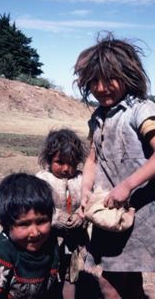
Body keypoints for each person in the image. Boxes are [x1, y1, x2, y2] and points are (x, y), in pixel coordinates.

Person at [73, 32, 155, 298]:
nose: (102, 87)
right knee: (128, 274)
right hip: (108, 211)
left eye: (110, 79)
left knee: (109, 281)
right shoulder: (97, 116)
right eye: (94, 81)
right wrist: (86, 190)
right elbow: (92, 158)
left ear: (128, 75)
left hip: (137, 208)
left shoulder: (140, 109)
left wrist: (127, 186)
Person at [0, 173, 60, 299]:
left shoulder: (50, 243)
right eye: (24, 224)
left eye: (41, 221)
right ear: (6, 224)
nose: (35, 232)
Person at [36, 128, 92, 299]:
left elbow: (90, 203)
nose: (67, 169)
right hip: (48, 239)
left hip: (76, 239)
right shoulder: (42, 179)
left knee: (71, 274)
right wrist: (56, 218)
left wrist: (81, 217)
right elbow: (37, 208)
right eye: (60, 162)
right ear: (48, 159)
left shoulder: (82, 180)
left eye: (72, 163)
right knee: (45, 273)